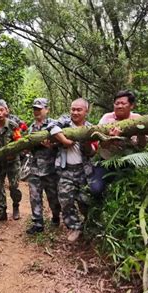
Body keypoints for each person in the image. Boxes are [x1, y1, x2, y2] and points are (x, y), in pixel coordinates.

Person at [47, 98, 97, 242]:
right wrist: (65, 140)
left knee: (85, 201)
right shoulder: (64, 122)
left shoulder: (90, 128)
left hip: (84, 171)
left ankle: (89, 226)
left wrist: (86, 141)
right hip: (65, 170)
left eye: (78, 110)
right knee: (65, 200)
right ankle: (75, 227)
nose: (74, 112)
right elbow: (51, 126)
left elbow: (93, 151)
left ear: (86, 111)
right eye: (73, 109)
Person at [91, 90, 148, 195]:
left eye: (123, 103)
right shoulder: (107, 118)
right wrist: (111, 139)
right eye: (117, 103)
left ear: (131, 106)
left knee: (133, 190)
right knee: (96, 189)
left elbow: (141, 146)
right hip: (106, 162)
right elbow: (102, 145)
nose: (119, 106)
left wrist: (140, 132)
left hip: (129, 163)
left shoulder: (138, 119)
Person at [26, 98, 61, 235]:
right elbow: (28, 147)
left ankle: (56, 217)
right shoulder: (31, 128)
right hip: (35, 168)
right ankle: (38, 223)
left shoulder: (54, 125)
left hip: (51, 168)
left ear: (47, 109)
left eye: (39, 109)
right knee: (35, 196)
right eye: (35, 109)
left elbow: (62, 143)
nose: (37, 112)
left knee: (53, 196)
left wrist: (52, 145)